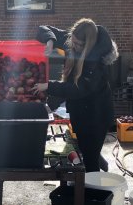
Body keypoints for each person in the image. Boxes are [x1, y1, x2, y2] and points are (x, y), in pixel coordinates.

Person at [32, 18, 118, 172]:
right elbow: (43, 28)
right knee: (88, 150)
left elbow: (78, 89)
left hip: (96, 116)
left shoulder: (97, 62)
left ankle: (96, 193)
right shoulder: (72, 41)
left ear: (89, 44)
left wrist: (48, 86)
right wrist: (51, 41)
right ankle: (102, 169)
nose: (75, 46)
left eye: (80, 45)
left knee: (90, 159)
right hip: (81, 113)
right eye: (74, 42)